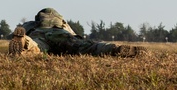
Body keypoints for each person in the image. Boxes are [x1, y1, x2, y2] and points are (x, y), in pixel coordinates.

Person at [8, 8, 146, 57]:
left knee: (36, 47)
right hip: (59, 35)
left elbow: (24, 29)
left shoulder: (32, 25)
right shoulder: (61, 23)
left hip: (38, 36)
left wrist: (24, 36)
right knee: (87, 47)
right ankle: (114, 49)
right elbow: (74, 37)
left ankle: (25, 43)